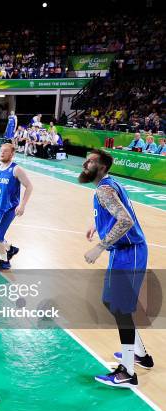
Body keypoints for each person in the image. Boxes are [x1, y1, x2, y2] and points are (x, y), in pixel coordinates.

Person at [79, 149, 153, 387]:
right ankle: (140, 355)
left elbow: (125, 219)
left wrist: (100, 246)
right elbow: (119, 211)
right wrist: (96, 224)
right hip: (123, 253)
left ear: (100, 167)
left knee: (121, 308)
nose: (84, 163)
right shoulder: (108, 185)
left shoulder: (104, 189)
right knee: (111, 302)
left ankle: (128, 373)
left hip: (128, 253)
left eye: (90, 161)